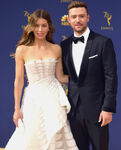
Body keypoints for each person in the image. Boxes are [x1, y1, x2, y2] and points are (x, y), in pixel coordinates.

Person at [5, 9, 79, 150]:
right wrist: (16, 109)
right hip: (33, 98)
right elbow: (19, 81)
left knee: (56, 132)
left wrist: (83, 77)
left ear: (49, 27)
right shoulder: (22, 50)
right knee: (32, 134)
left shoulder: (56, 49)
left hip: (54, 98)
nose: (40, 29)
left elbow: (61, 77)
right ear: (31, 27)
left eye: (44, 25)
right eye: (36, 25)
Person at [60, 1, 117, 150]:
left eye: (81, 16)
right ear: (69, 20)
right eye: (74, 17)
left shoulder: (103, 42)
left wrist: (108, 108)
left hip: (98, 111)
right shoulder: (64, 46)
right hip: (73, 112)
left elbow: (111, 77)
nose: (77, 20)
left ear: (88, 18)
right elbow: (64, 76)